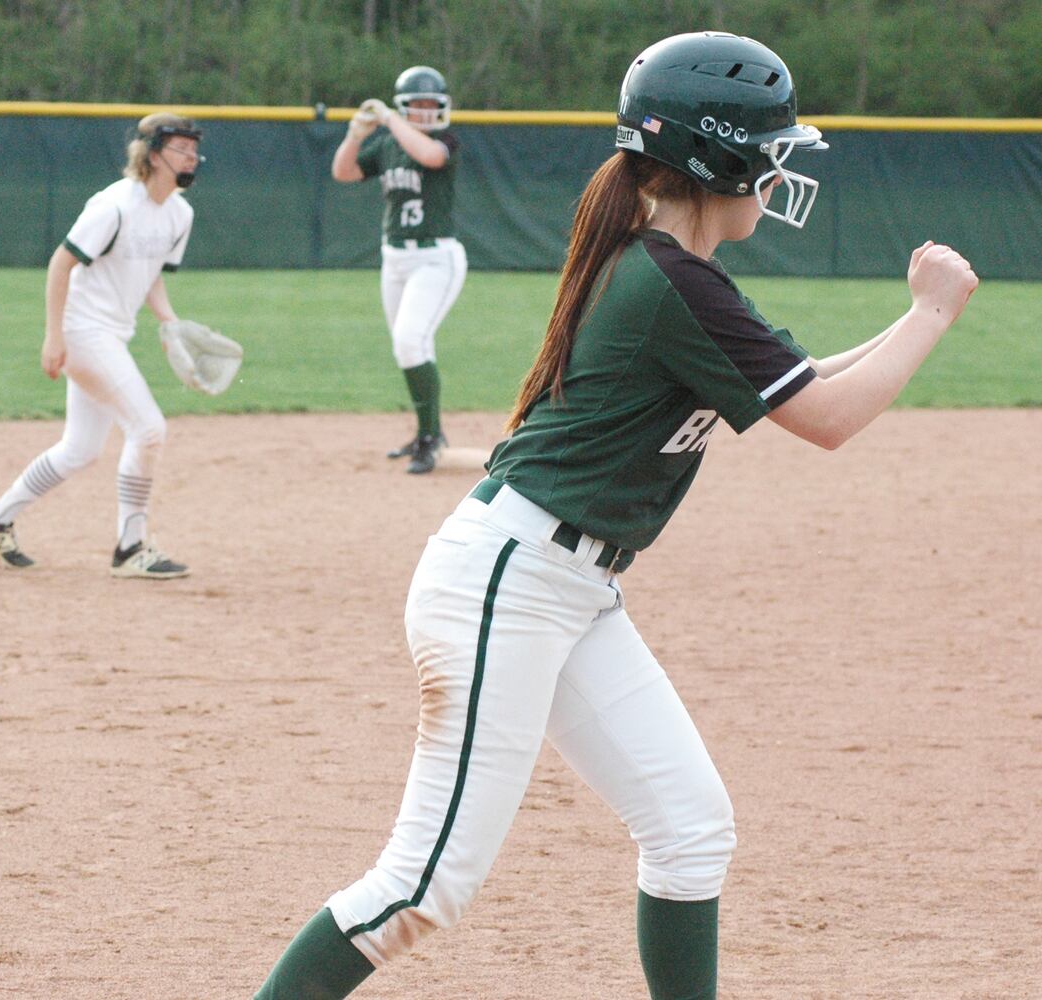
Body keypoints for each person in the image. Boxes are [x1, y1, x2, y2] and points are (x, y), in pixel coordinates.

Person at [255, 32, 977, 999]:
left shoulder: (675, 271)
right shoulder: (672, 280)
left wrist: (917, 314)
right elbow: (830, 420)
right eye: (769, 147)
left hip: (567, 583)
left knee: (690, 829)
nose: (778, 167)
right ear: (718, 157)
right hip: (508, 582)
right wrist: (932, 316)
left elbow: (806, 380)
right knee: (424, 888)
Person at [0, 112, 204, 579]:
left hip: (111, 334)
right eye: (181, 147)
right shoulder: (113, 205)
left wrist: (170, 324)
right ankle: (130, 547)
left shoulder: (180, 213)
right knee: (149, 429)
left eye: (194, 149)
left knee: (79, 448)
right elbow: (60, 264)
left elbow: (150, 273)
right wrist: (54, 336)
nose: (192, 156)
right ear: (153, 154)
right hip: (82, 331)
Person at [331, 65, 467, 475]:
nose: (425, 112)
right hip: (395, 258)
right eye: (417, 105)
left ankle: (429, 439)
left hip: (434, 257)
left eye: (431, 105)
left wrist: (390, 118)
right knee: (407, 347)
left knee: (410, 341)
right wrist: (356, 134)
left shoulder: (445, 139)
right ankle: (429, 432)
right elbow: (343, 171)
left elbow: (428, 155)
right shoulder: (389, 144)